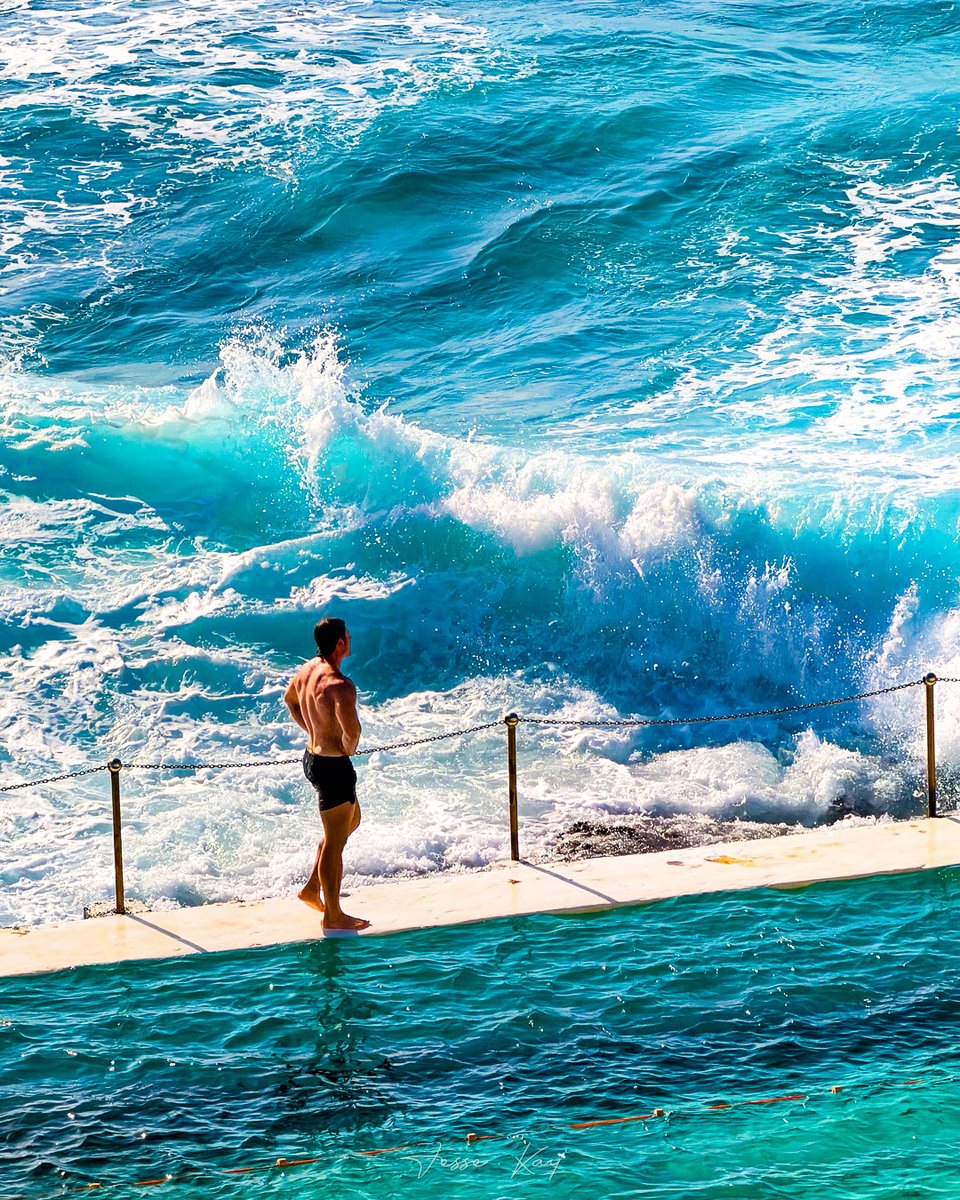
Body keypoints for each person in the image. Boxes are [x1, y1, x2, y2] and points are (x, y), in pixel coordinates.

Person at [284, 617, 370, 932]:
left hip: (312, 758)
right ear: (340, 644)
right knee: (335, 843)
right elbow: (352, 735)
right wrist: (345, 745)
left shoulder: (307, 670)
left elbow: (290, 699)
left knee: (351, 822)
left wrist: (313, 730)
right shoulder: (340, 686)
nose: (350, 639)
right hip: (333, 767)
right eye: (348, 635)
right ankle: (332, 914)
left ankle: (311, 888)